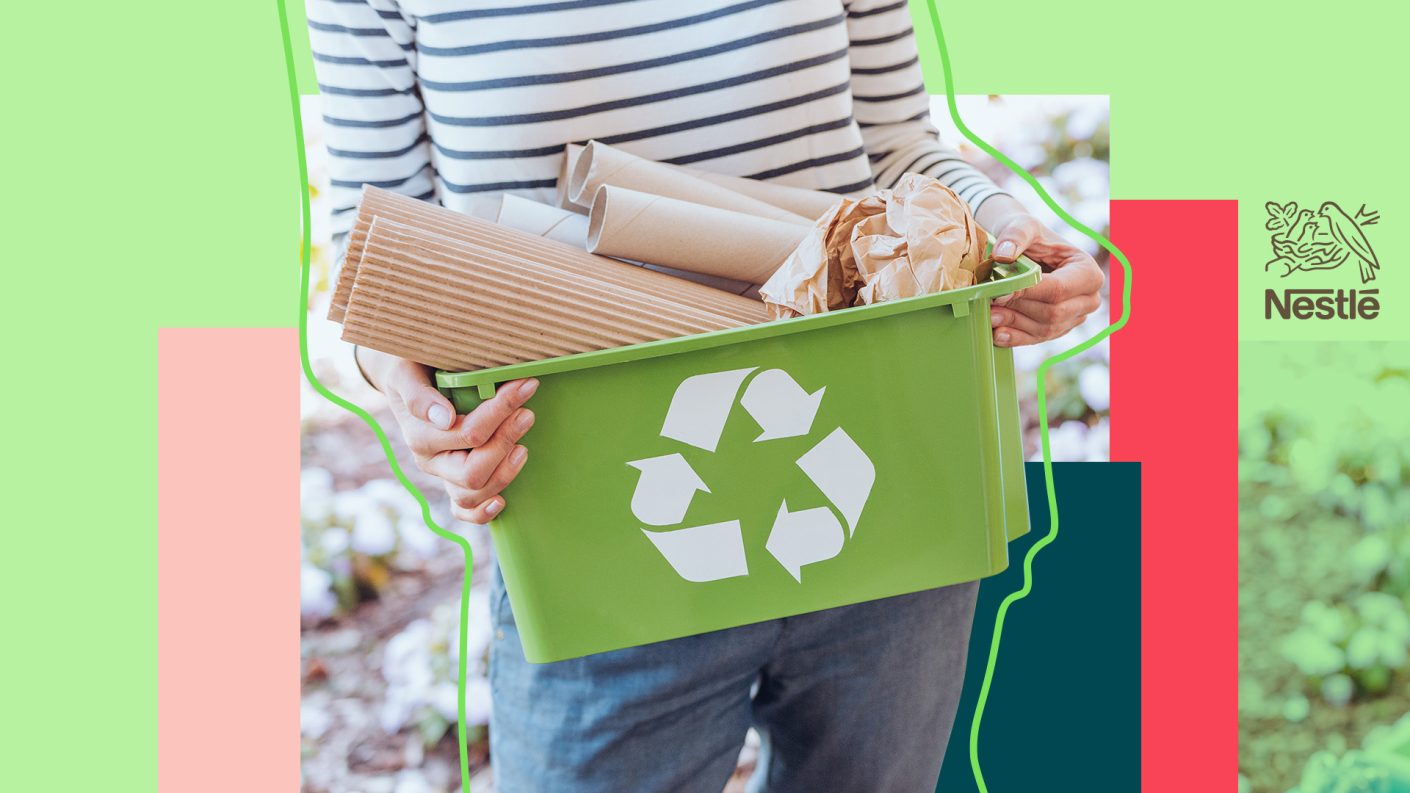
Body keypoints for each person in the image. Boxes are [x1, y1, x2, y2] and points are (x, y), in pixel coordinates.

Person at [309, 1, 1103, 790]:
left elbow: (895, 148)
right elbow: (377, 239)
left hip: (879, 475)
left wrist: (1008, 233)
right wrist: (420, 404)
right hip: (593, 516)